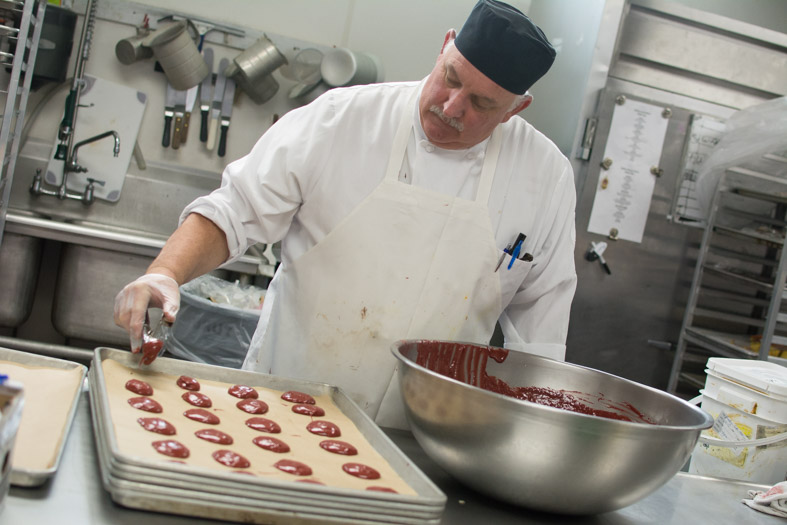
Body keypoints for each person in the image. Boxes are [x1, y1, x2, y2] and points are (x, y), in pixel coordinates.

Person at [114, 0, 577, 429]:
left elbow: (539, 334)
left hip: (426, 434)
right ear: (443, 47)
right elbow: (235, 209)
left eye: (482, 103)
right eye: (451, 78)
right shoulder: (342, 119)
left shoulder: (545, 177)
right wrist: (166, 272)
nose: (452, 106)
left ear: (517, 109)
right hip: (282, 406)